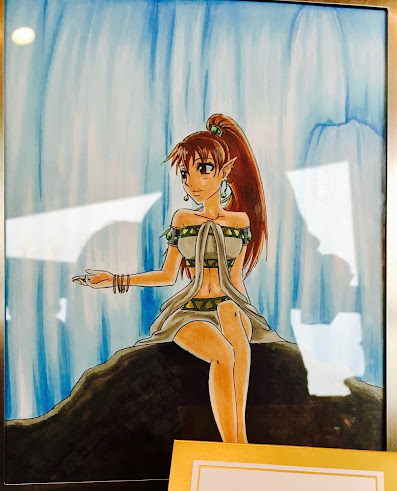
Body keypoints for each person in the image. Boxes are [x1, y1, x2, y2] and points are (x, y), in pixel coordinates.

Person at [73, 114, 281, 444]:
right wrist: (115, 280)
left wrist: (249, 316)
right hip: (190, 311)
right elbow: (168, 275)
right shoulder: (183, 219)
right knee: (223, 354)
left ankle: (239, 444)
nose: (192, 182)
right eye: (185, 173)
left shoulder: (240, 221)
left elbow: (236, 280)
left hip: (228, 305)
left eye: (203, 169)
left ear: (225, 171)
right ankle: (234, 447)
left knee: (232, 319)